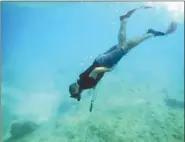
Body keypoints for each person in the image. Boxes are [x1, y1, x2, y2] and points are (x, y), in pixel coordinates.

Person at [69, 6, 177, 102]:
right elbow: (93, 73)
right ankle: (131, 24)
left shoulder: (85, 84)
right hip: (100, 60)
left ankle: (146, 32)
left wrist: (109, 70)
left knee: (124, 48)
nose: (79, 95)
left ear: (77, 91)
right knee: (122, 45)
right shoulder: (81, 80)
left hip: (106, 63)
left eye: (77, 95)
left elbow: (96, 71)